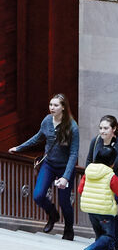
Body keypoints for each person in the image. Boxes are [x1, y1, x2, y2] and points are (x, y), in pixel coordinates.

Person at [10, 92, 79, 240]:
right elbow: (38, 137)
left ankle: (68, 228)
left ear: (63, 108)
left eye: (56, 105)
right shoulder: (47, 121)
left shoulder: (73, 127)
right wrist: (19, 147)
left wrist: (66, 177)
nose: (52, 108)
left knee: (64, 201)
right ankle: (52, 214)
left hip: (64, 167)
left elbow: (74, 154)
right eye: (51, 105)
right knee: (38, 195)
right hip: (48, 164)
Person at [85, 114, 118, 249]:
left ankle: (106, 240)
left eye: (106, 128)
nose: (102, 131)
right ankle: (117, 241)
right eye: (100, 128)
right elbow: (89, 160)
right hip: (102, 181)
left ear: (114, 129)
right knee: (108, 208)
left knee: (107, 206)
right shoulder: (96, 141)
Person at [78, 145, 118, 250]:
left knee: (99, 233)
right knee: (109, 236)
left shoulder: (88, 171)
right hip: (104, 210)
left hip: (90, 209)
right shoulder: (110, 175)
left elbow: (80, 190)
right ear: (112, 162)